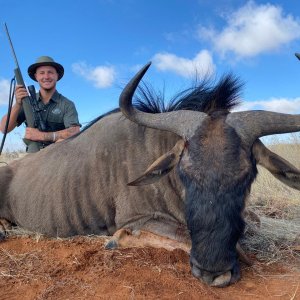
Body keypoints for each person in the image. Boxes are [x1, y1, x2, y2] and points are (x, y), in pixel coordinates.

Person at [0, 56, 81, 153]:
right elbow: (4, 129)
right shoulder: (26, 102)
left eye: (50, 72)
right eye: (41, 73)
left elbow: (75, 132)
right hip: (33, 157)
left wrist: (41, 136)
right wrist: (17, 104)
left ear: (57, 76)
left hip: (59, 157)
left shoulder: (67, 104)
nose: (46, 77)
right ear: (36, 76)